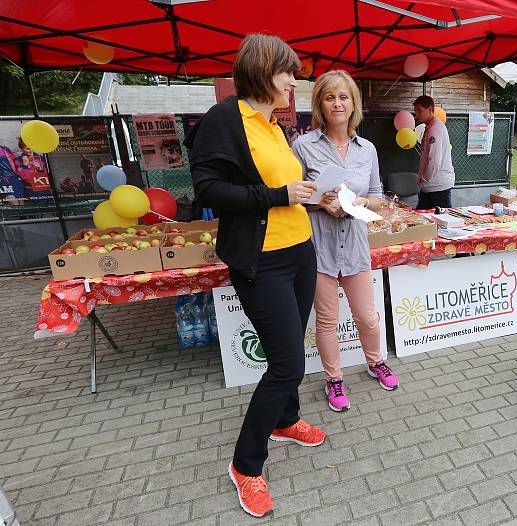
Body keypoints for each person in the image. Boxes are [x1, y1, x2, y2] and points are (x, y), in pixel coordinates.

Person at [185, 34, 327, 518]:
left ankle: (286, 420)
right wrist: (278, 196)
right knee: (287, 364)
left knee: (292, 348)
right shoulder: (225, 120)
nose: (294, 81)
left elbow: (284, 187)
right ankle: (246, 465)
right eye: (288, 72)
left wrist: (309, 196)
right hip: (260, 262)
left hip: (300, 253)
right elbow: (209, 189)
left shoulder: (274, 125)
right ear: (263, 70)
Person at [292, 70, 399, 412]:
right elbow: (293, 198)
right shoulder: (303, 146)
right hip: (319, 247)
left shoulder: (366, 149)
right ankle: (334, 379)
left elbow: (378, 196)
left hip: (354, 244)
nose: (337, 103)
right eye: (329, 97)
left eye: (343, 96)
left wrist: (360, 203)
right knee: (326, 320)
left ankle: (375, 362)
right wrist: (318, 203)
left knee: (367, 316)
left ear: (354, 103)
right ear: (320, 104)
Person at [413, 95, 455, 209]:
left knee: (441, 223)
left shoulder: (434, 129)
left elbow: (434, 161)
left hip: (437, 186)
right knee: (422, 222)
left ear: (430, 110)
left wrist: (424, 179)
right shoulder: (430, 127)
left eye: (420, 111)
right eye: (415, 111)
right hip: (431, 185)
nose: (417, 114)